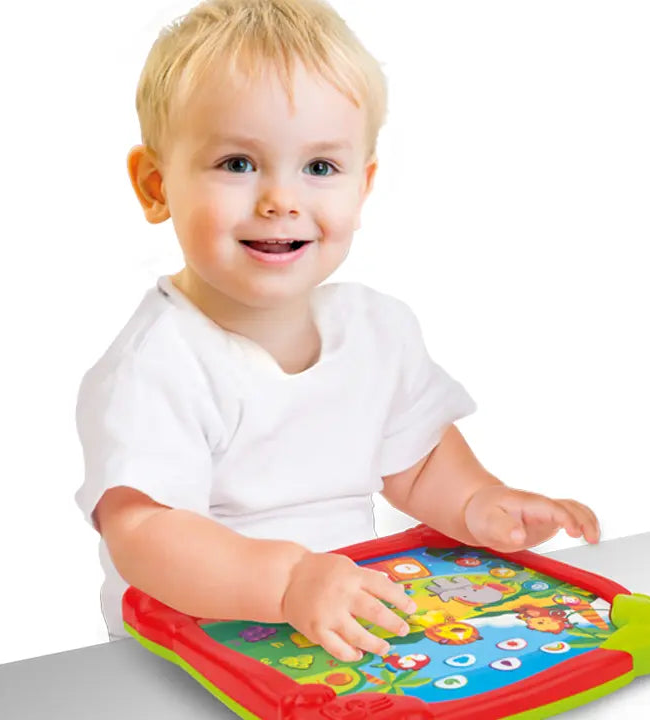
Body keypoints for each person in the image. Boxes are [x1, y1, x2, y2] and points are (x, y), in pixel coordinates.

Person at [75, 0, 600, 663]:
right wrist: (288, 582)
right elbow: (144, 532)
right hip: (192, 653)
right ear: (156, 186)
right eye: (237, 163)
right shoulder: (156, 365)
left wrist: (479, 502)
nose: (281, 200)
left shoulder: (375, 331)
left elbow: (419, 460)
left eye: (320, 168)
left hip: (341, 629)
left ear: (363, 186)